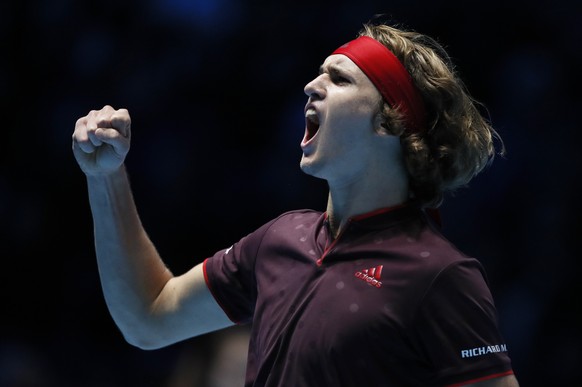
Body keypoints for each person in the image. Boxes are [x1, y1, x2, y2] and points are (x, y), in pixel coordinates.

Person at [72, 20, 520, 387]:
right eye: (319, 73)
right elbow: (148, 317)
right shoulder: (278, 241)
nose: (310, 85)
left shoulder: (439, 275)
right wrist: (104, 177)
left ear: (391, 121)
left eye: (338, 77)